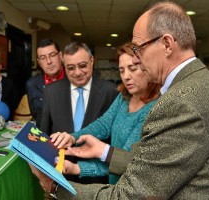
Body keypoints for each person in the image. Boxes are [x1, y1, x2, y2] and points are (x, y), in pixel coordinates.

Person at [31, 1, 209, 199]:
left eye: (138, 48)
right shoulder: (199, 82)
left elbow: (130, 195)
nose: (135, 59)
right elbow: (153, 161)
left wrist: (55, 186)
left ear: (167, 44)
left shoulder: (180, 103)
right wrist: (87, 144)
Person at [49, 42, 160, 184]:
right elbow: (103, 125)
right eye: (121, 70)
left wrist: (80, 167)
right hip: (113, 186)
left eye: (132, 69)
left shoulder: (155, 108)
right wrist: (72, 138)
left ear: (148, 67)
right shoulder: (124, 97)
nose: (126, 76)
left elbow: (123, 159)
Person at [40, 41, 118, 184]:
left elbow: (114, 137)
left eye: (82, 66)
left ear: (92, 60)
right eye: (70, 68)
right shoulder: (51, 91)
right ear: (64, 66)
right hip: (60, 173)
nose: (77, 72)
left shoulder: (110, 91)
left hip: (97, 176)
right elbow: (44, 132)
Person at [26, 39, 65, 127]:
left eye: (52, 55)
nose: (49, 61)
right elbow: (36, 115)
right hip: (45, 136)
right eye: (43, 58)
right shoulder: (32, 84)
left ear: (60, 56)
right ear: (39, 62)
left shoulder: (73, 79)